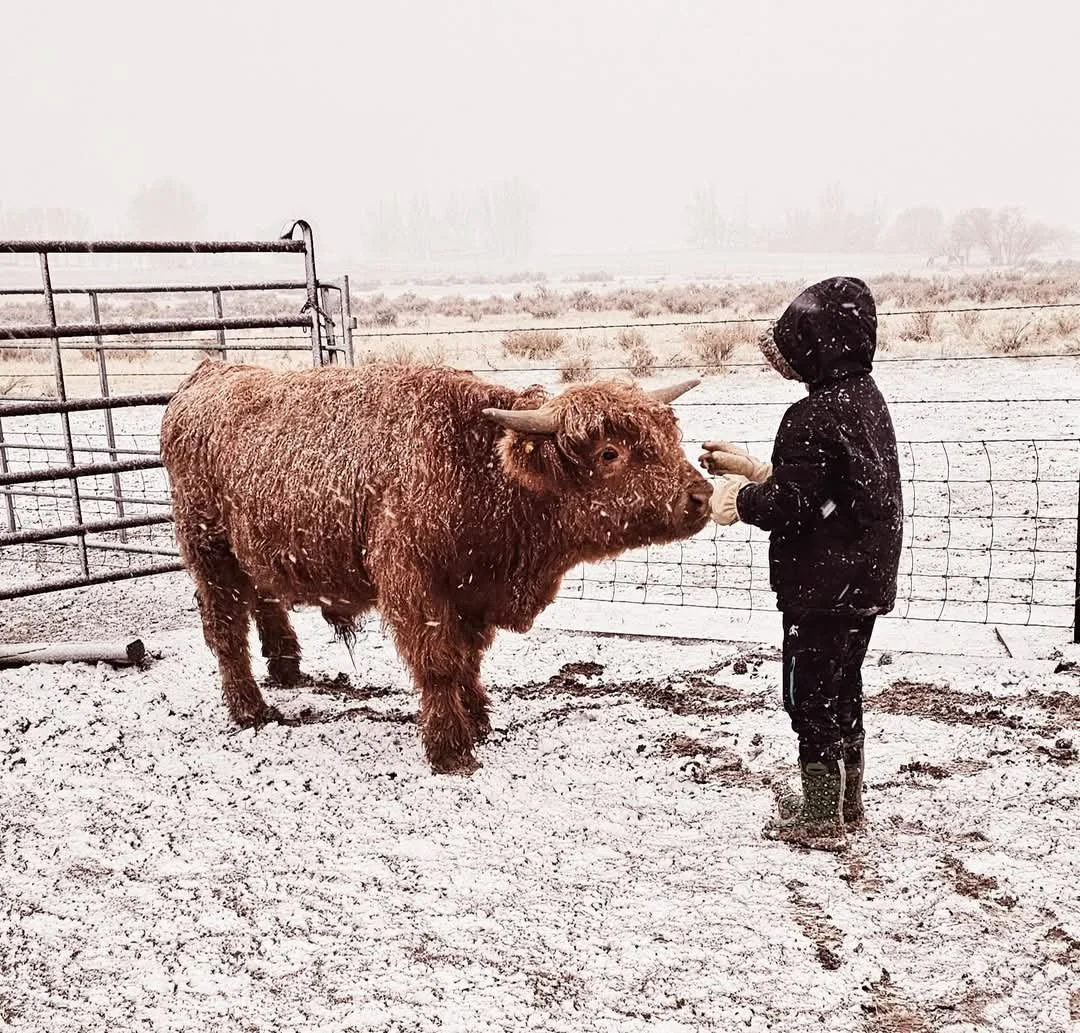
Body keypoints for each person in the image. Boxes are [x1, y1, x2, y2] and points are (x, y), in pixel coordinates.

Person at [700, 276, 903, 851]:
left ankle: (818, 816)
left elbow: (794, 508)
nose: (785, 364)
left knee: (807, 695)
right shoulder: (865, 400)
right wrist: (759, 468)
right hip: (863, 580)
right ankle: (846, 799)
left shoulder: (809, 416)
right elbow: (837, 489)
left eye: (792, 349)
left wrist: (740, 498)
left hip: (819, 586)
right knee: (842, 688)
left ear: (816, 347)